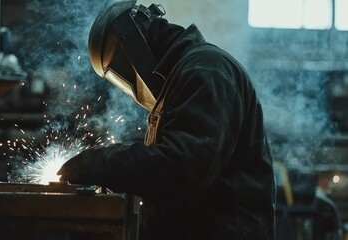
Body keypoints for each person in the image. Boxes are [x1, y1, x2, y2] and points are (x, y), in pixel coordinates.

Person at [57, 1, 276, 239]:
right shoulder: (183, 76)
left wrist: (103, 163)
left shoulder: (205, 70)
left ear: (131, 45)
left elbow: (183, 167)